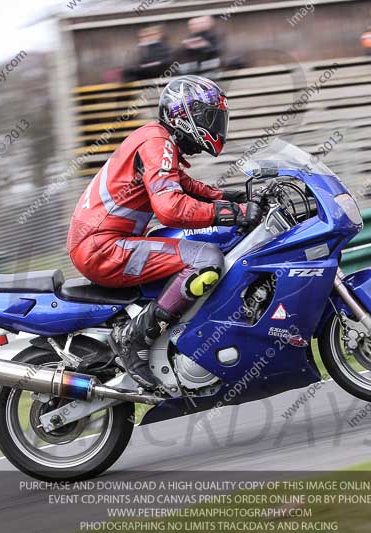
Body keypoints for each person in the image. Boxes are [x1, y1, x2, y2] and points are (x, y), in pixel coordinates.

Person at [67, 76, 261, 390]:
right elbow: (171, 207)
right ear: (185, 115)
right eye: (210, 117)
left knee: (196, 244)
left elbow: (185, 186)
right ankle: (133, 338)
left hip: (104, 242)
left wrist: (230, 197)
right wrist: (233, 214)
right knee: (207, 260)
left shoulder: (156, 139)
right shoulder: (156, 142)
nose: (216, 125)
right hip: (102, 247)